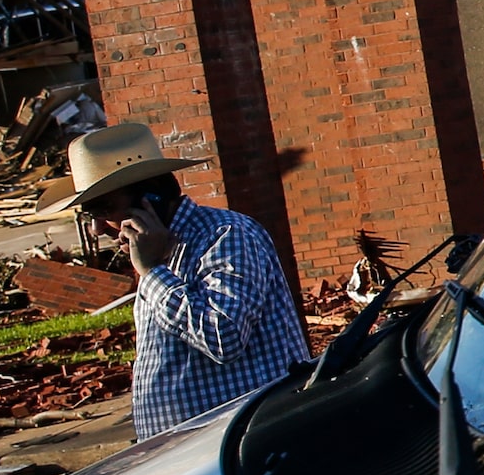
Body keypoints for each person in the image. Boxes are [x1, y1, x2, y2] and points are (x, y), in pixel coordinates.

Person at [51, 122, 309, 438]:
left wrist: (153, 273)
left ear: (152, 199)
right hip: (194, 449)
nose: (97, 229)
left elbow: (223, 337)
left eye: (104, 209)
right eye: (88, 216)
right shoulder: (158, 250)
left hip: (242, 444)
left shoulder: (225, 236)